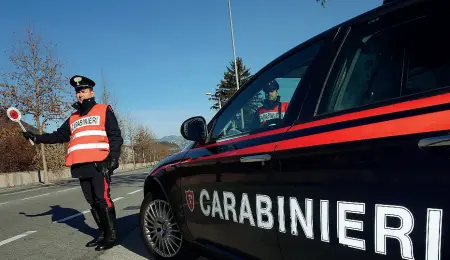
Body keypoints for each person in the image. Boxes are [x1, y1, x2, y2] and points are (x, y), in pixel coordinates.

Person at [22, 75, 124, 251]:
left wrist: (113, 159)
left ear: (91, 92)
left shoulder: (103, 109)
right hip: (80, 166)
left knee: (102, 199)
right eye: (77, 91)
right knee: (92, 202)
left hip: (99, 164)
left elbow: (115, 135)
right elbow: (58, 135)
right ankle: (101, 234)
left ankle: (111, 236)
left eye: (83, 90)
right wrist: (37, 137)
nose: (80, 94)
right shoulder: (73, 117)